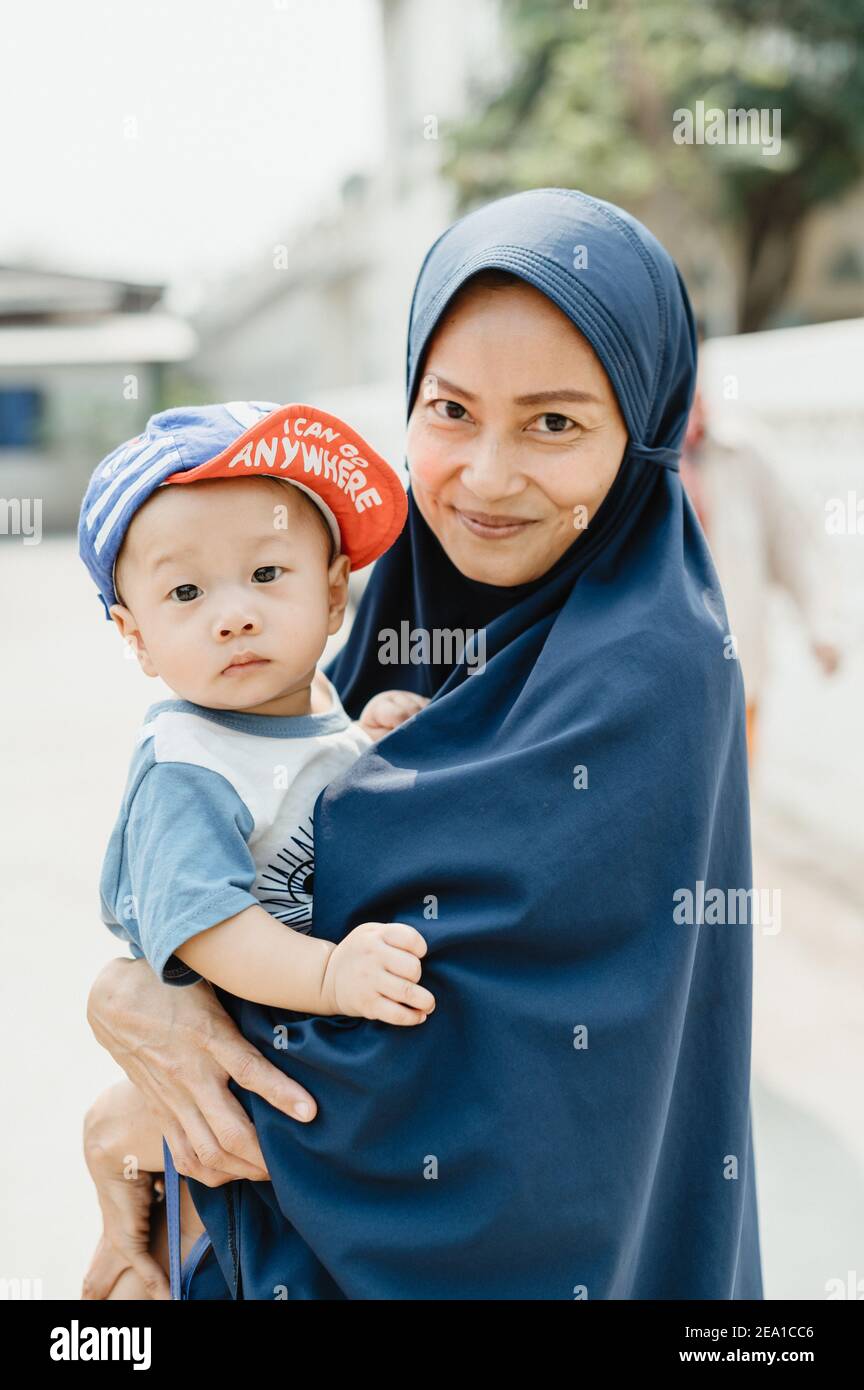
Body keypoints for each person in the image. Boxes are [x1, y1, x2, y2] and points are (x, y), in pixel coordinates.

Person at [84, 187, 764, 1300]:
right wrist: (135, 990)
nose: (487, 477)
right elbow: (235, 858)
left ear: (641, 430)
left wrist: (151, 1082)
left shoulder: (647, 672)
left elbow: (497, 1102)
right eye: (450, 410)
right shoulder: (377, 598)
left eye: (555, 423)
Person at [78, 401, 431, 1297]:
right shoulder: (187, 767)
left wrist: (380, 739)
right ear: (136, 637)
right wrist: (331, 978)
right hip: (214, 1112)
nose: (232, 616)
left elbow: (327, 792)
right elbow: (210, 929)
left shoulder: (315, 719)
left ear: (333, 593)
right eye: (186, 594)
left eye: (266, 572)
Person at [679, 383, 842, 764]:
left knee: (733, 798)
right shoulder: (635, 454)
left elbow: (795, 543)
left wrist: (823, 623)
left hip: (736, 672)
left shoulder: (744, 452)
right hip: (659, 676)